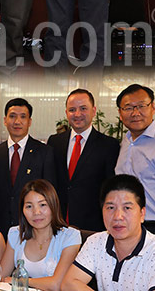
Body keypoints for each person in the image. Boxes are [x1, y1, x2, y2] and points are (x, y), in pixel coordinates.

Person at [61, 175, 155, 291]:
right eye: (110, 207)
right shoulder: (96, 241)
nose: (118, 216)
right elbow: (68, 285)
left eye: (127, 208)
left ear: (142, 214)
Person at [47, 89, 120, 232]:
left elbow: (110, 186)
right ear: (66, 113)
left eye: (83, 108)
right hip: (58, 222)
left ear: (93, 111)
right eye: (72, 110)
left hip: (92, 225)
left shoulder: (109, 145)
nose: (78, 114)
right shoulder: (55, 142)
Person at [0, 98, 56, 239]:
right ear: (5, 120)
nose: (17, 121)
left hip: (33, 226)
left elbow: (50, 192)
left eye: (23, 117)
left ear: (29, 121)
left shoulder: (44, 152)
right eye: (12, 116)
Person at [0, 179, 81, 291]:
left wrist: (21, 281)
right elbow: (1, 278)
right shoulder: (16, 234)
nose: (36, 212)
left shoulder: (70, 237)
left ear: (54, 206)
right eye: (29, 206)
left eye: (43, 205)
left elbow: (56, 285)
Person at [115, 83, 155, 239]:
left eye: (141, 106)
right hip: (126, 226)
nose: (135, 113)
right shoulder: (125, 142)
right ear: (120, 113)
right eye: (128, 108)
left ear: (152, 107)